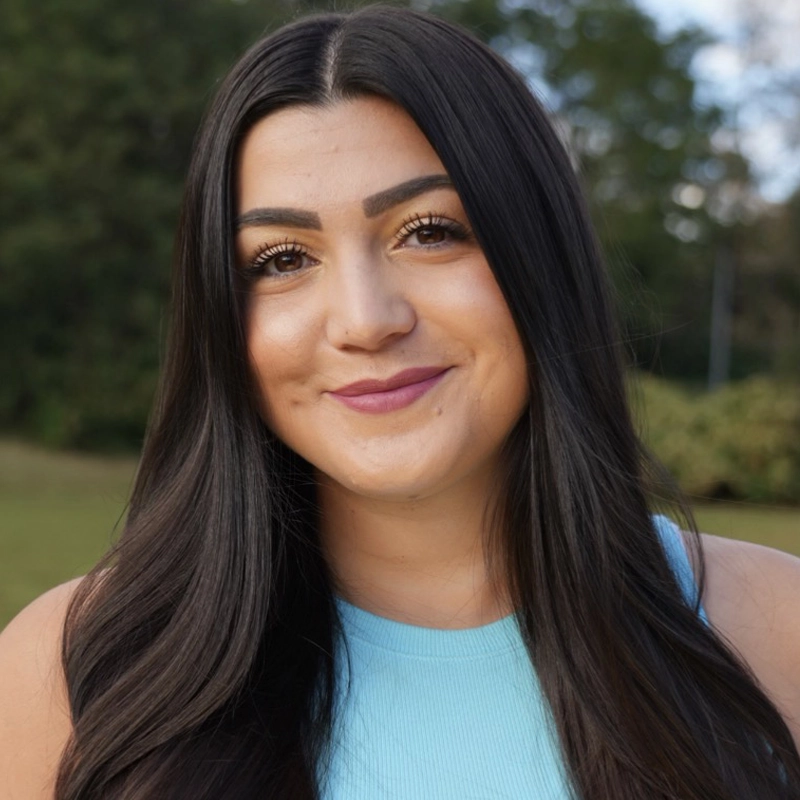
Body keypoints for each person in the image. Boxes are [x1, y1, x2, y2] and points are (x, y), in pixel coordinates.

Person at [1, 5, 799, 799]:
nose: (366, 320)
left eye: (428, 231)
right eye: (282, 258)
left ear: (540, 255)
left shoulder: (778, 632)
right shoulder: (70, 677)